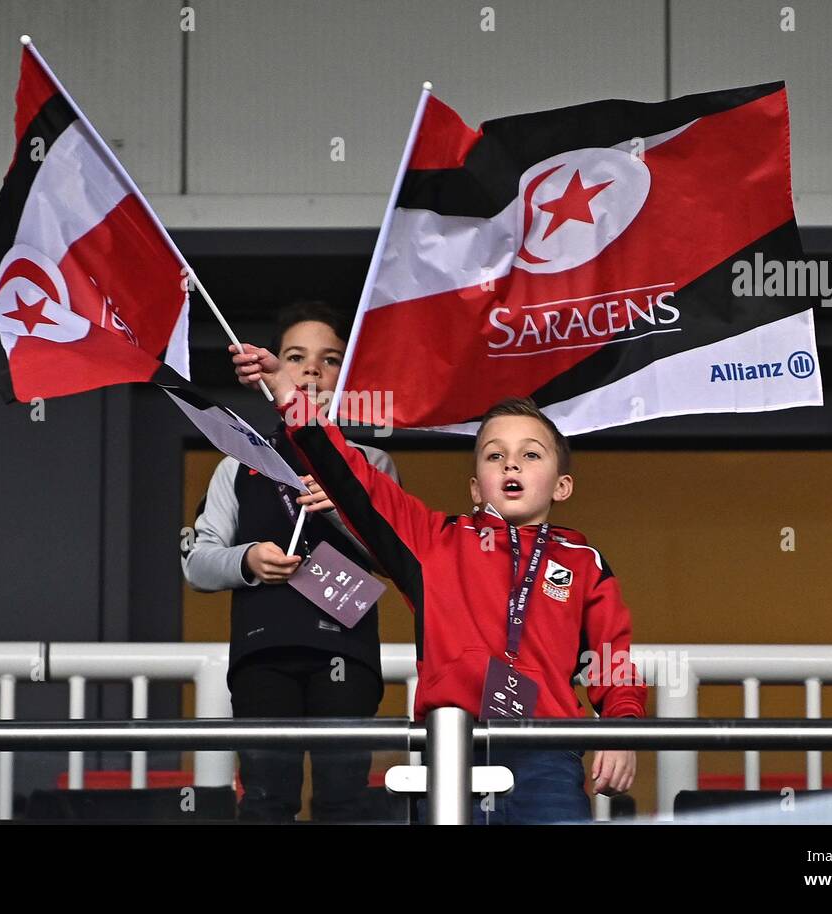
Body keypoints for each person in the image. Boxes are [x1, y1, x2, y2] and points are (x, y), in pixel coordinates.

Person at [229, 341, 648, 824]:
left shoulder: (583, 560)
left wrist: (621, 731)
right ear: (475, 487)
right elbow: (352, 478)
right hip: (450, 752)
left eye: (531, 455)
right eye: (494, 456)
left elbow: (612, 661)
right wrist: (285, 390)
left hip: (548, 754)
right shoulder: (434, 543)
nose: (511, 464)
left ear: (562, 485)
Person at [182, 301, 400, 822]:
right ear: (268, 369)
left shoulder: (372, 462)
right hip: (263, 652)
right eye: (296, 356)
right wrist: (249, 559)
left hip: (346, 650)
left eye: (329, 360)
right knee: (265, 798)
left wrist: (345, 508)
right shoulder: (238, 460)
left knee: (342, 799)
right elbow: (197, 562)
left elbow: (398, 555)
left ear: (346, 376)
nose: (311, 370)